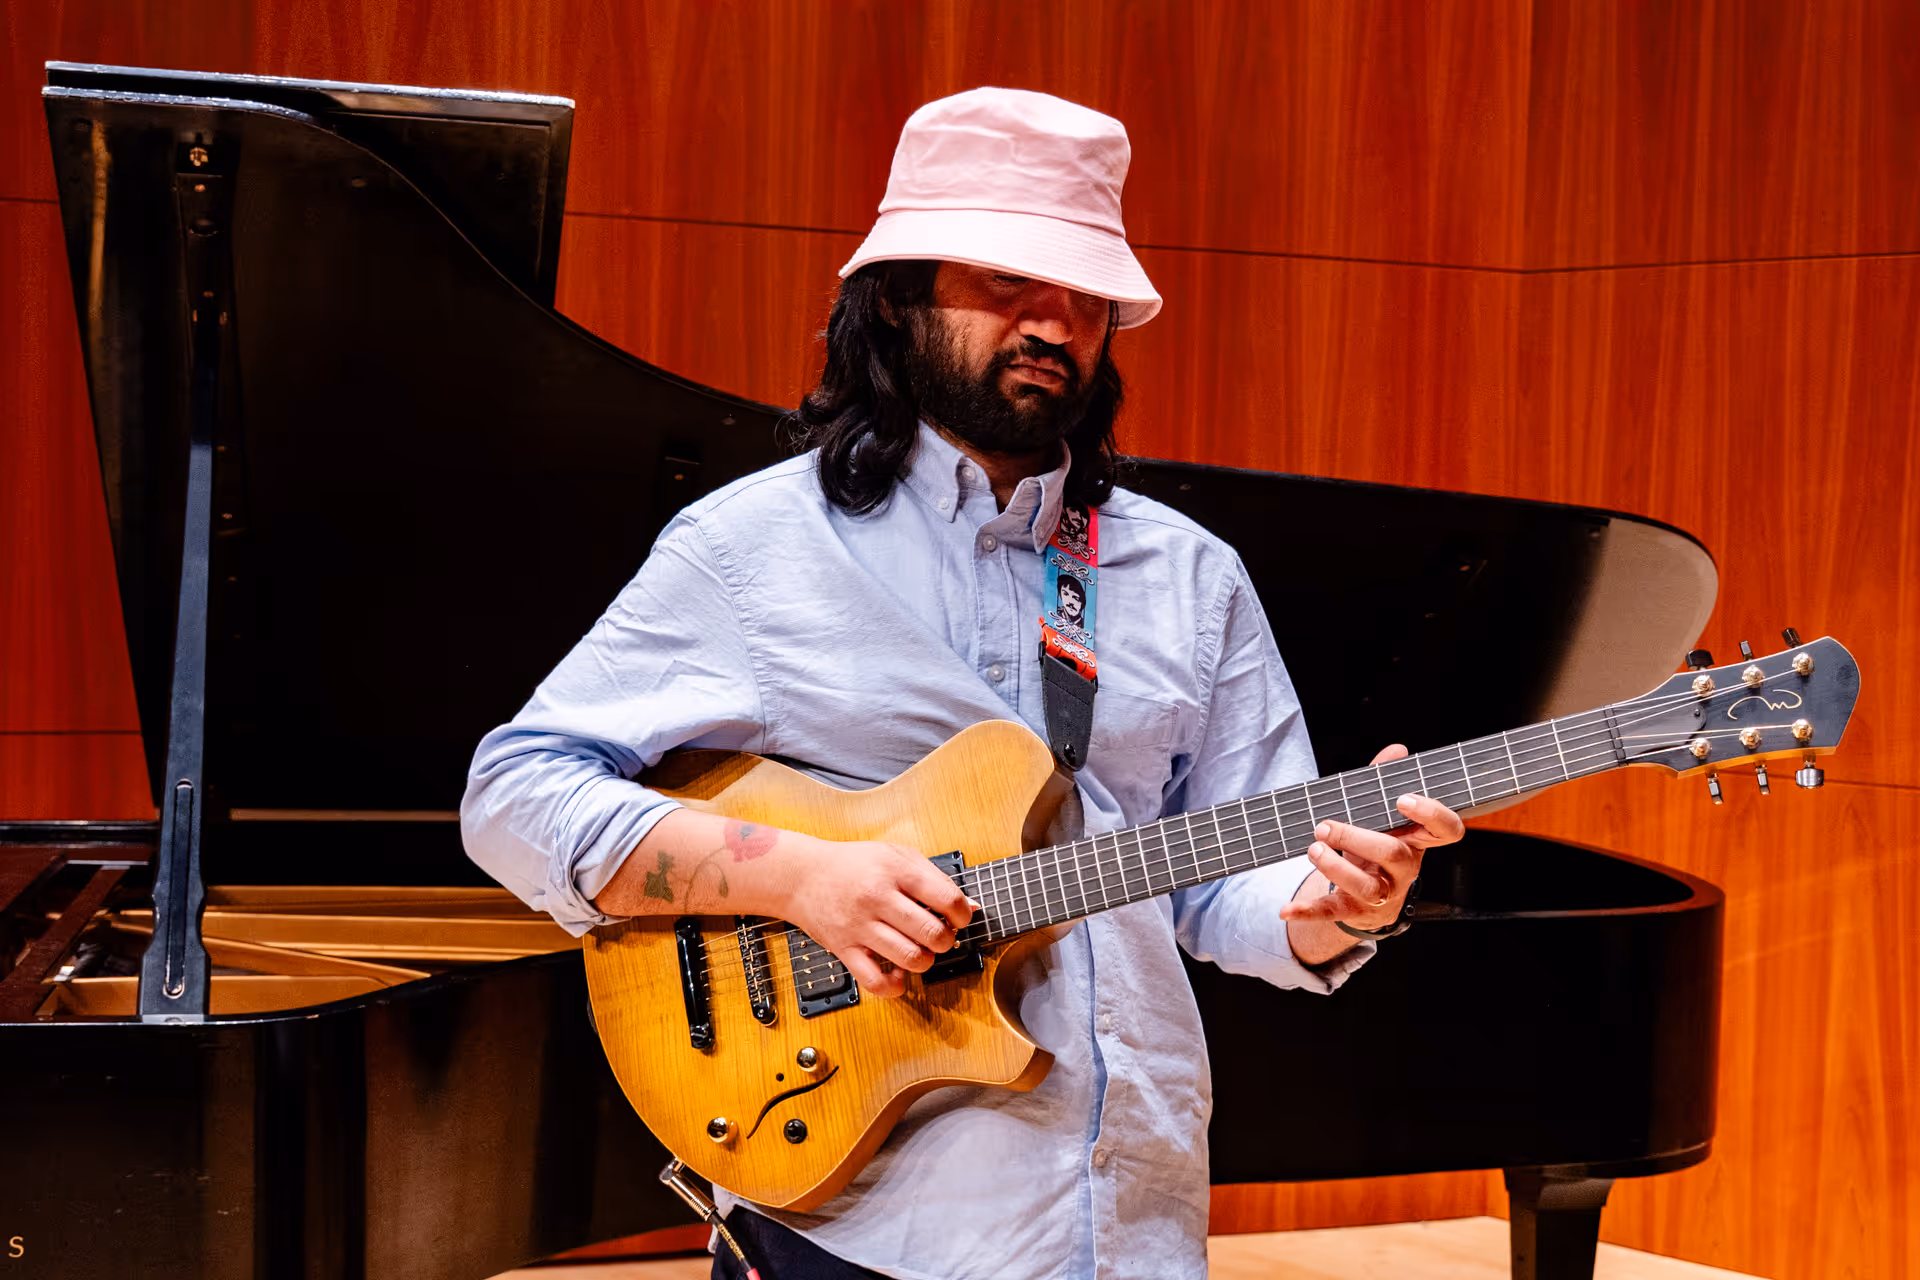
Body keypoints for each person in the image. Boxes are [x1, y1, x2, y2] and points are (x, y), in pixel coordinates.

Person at [462, 87, 1464, 1280]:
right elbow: (514, 792)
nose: (1055, 324)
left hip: (1125, 1220)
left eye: (1084, 297)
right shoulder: (753, 550)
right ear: (894, 299)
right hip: (862, 1222)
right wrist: (806, 876)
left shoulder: (1191, 576)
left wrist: (1334, 905)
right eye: (1009, 285)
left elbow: (1227, 892)